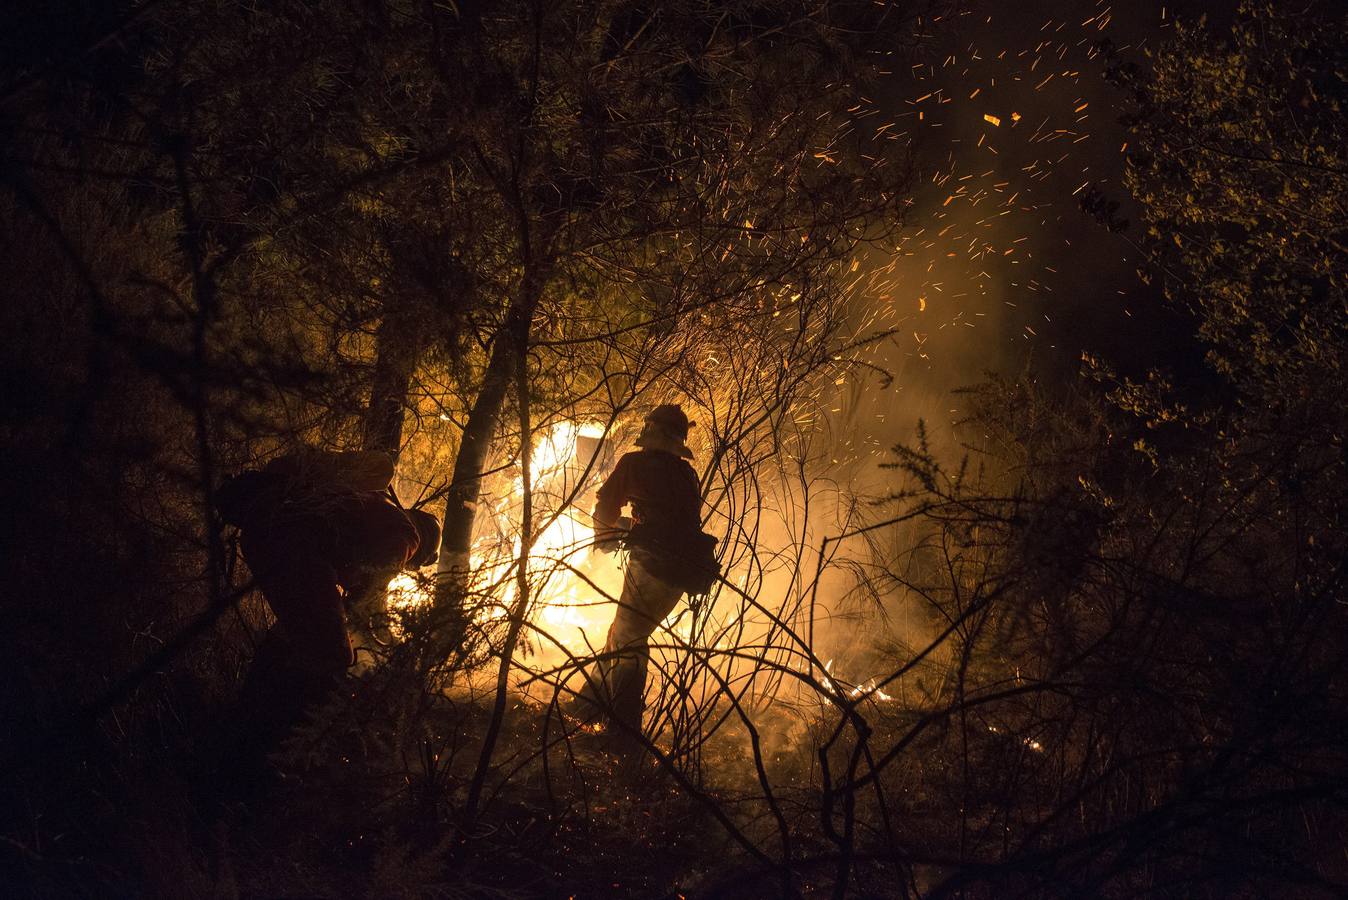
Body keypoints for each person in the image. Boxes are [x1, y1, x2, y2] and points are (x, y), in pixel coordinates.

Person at [216, 448, 440, 753]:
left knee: (296, 634)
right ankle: (280, 747)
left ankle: (243, 721)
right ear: (422, 546)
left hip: (262, 529)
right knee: (333, 655)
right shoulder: (407, 534)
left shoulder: (373, 502)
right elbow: (374, 584)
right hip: (295, 545)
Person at [572, 404, 717, 752]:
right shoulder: (686, 474)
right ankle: (585, 707)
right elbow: (671, 517)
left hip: (653, 563)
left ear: (651, 431)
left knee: (628, 640)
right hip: (685, 569)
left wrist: (606, 538)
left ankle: (623, 732)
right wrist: (631, 527)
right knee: (623, 634)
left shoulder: (635, 463)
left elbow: (607, 504)